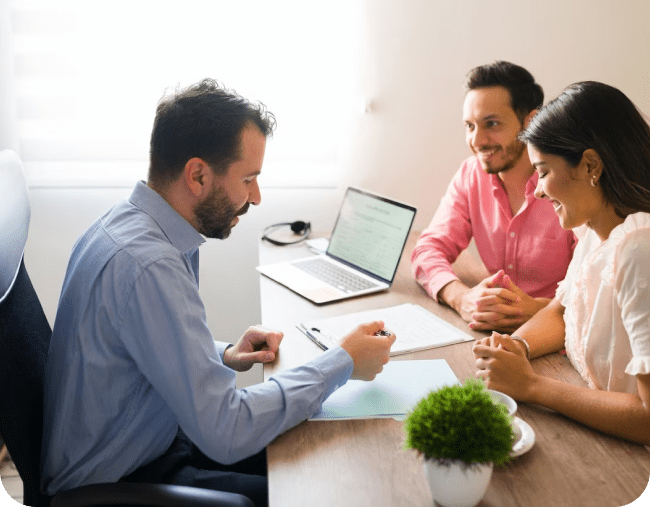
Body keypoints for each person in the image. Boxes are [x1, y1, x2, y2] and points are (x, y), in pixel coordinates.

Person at [40, 79, 395, 506]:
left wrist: (221, 354)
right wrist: (343, 361)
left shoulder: (134, 226)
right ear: (198, 175)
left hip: (146, 437)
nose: (256, 197)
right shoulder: (150, 265)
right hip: (117, 479)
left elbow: (134, 342)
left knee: (321, 447)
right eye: (248, 178)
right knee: (318, 489)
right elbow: (226, 431)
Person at [474, 81, 650, 445]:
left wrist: (532, 385)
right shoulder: (595, 226)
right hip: (600, 434)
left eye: (543, 171)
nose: (537, 190)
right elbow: (561, 312)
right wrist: (515, 347)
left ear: (590, 165)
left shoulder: (640, 249)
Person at [411, 61, 576, 333]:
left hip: (562, 338)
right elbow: (428, 249)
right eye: (470, 126)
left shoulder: (569, 182)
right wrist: (460, 297)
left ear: (531, 121)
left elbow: (598, 289)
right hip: (492, 332)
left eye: (492, 124)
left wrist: (535, 309)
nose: (478, 140)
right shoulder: (471, 173)